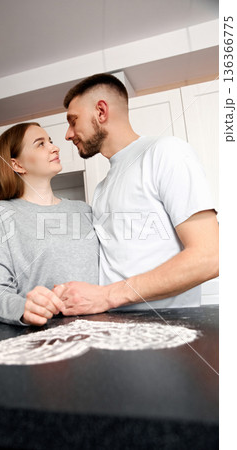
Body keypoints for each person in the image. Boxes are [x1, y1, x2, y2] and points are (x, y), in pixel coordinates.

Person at [53, 73, 219, 315]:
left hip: (165, 329)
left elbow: (210, 255)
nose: (68, 134)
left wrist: (107, 296)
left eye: (73, 121)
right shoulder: (101, 188)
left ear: (101, 112)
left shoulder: (165, 152)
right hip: (112, 326)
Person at [0, 122, 99, 326]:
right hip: (46, 333)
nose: (54, 147)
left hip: (102, 326)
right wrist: (23, 309)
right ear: (17, 165)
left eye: (50, 141)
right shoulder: (1, 213)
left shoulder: (83, 210)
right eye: (40, 144)